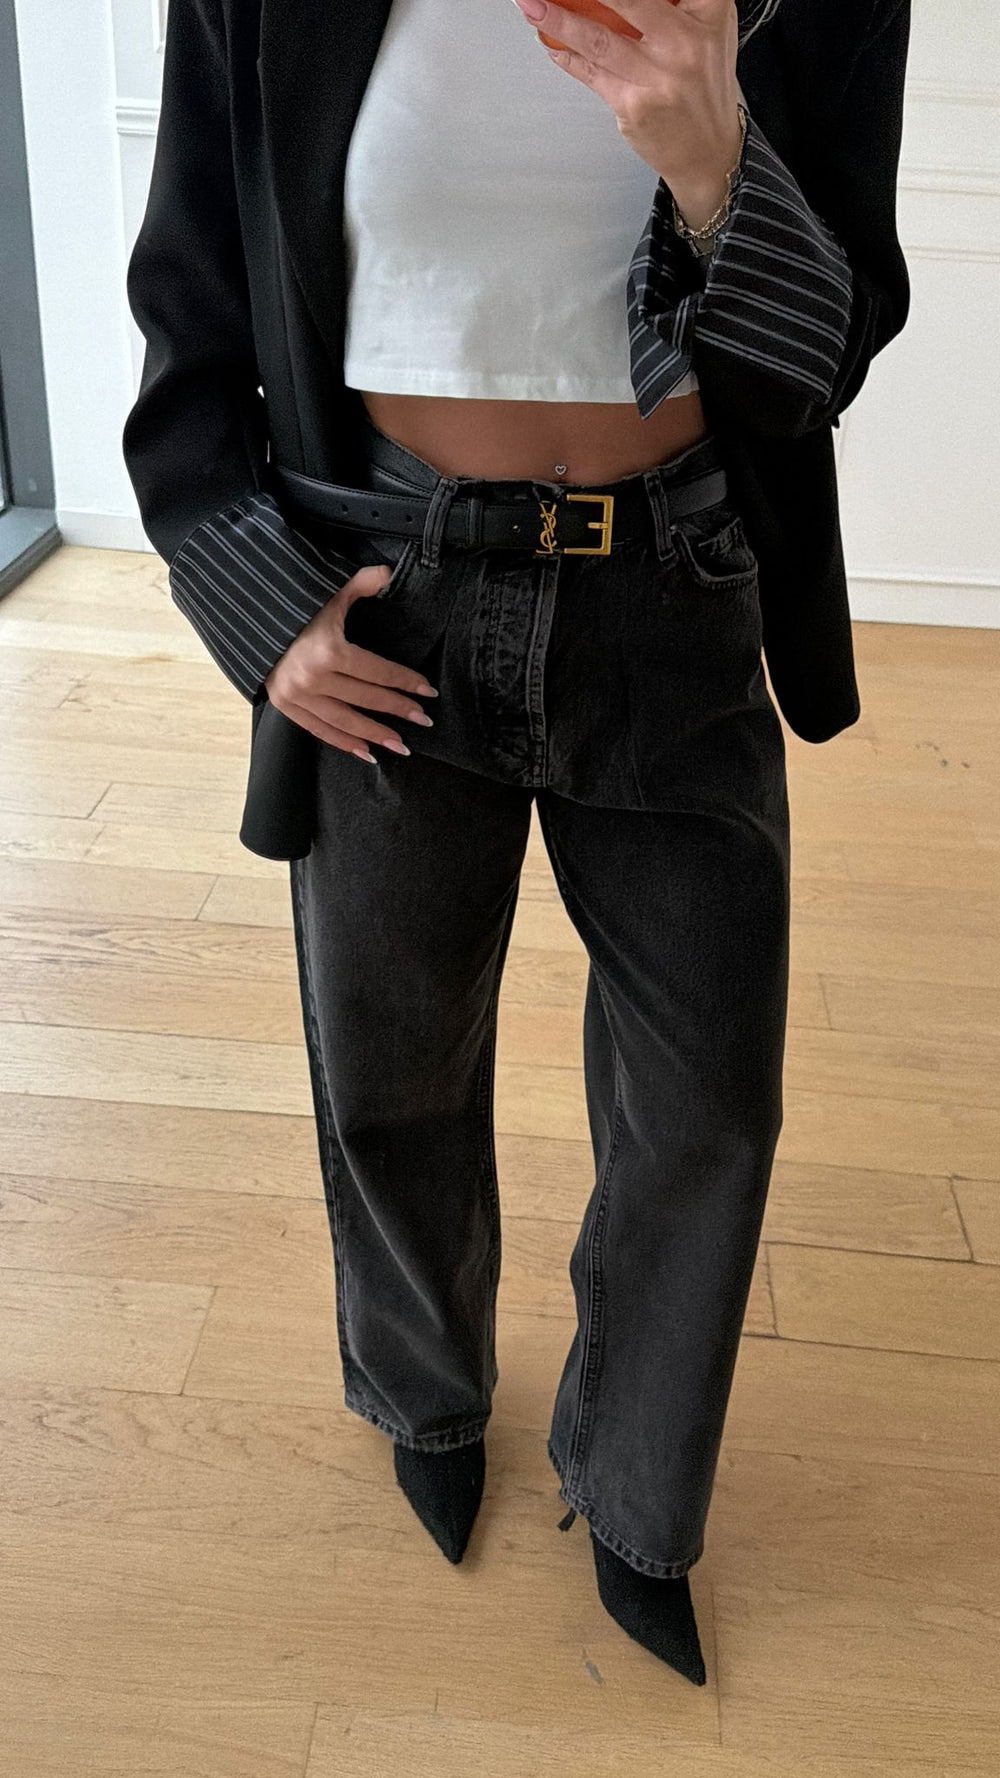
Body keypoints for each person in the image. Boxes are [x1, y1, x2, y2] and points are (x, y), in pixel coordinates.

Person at [122, 0, 912, 1687]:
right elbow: (190, 304)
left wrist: (715, 170)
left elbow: (828, 354)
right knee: (389, 1058)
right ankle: (426, 1392)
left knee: (709, 1101)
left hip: (680, 595)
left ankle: (636, 1486)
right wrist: (256, 602)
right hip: (386, 593)